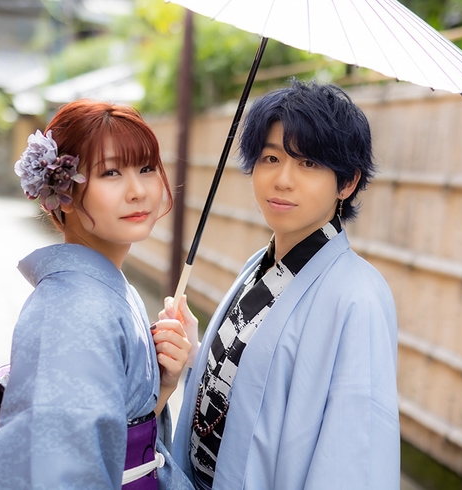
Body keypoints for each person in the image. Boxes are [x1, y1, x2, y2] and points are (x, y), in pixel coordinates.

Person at [162, 80, 400, 489]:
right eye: (271, 158)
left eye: (308, 163)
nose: (283, 180)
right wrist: (199, 354)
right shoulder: (260, 264)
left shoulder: (358, 298)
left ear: (347, 183)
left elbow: (353, 452)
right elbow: (258, 385)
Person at [0, 100, 194, 489]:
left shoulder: (108, 292)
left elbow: (118, 434)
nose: (138, 191)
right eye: (111, 172)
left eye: (147, 168)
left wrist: (164, 383)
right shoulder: (74, 311)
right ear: (62, 191)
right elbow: (57, 473)